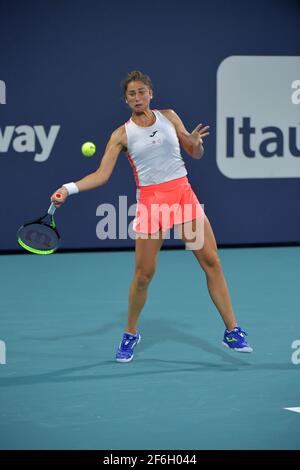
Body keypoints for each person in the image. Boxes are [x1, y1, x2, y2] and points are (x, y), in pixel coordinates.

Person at [51, 70, 253, 362]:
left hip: (182, 195)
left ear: (151, 94)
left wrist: (195, 142)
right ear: (126, 99)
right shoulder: (121, 135)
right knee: (144, 275)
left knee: (211, 262)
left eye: (142, 92)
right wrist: (68, 189)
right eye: (131, 94)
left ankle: (232, 330)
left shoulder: (170, 116)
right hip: (151, 203)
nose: (137, 98)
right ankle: (131, 333)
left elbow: (194, 153)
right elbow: (101, 175)